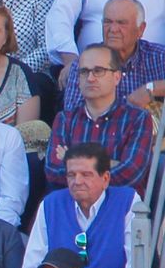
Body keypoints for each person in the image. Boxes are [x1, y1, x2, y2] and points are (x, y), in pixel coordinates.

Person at [17, 143, 137, 268]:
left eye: (86, 175)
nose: (77, 181)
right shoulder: (51, 205)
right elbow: (34, 265)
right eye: (71, 175)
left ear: (105, 178)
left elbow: (135, 259)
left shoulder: (127, 201)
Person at [48, 44, 158, 196]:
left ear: (117, 77)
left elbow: (131, 173)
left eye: (98, 71)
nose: (91, 78)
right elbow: (53, 171)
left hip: (120, 206)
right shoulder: (64, 119)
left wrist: (72, 161)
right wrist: (109, 163)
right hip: (73, 205)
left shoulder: (137, 118)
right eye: (84, 72)